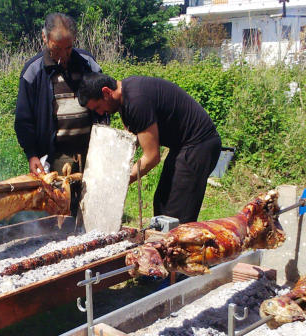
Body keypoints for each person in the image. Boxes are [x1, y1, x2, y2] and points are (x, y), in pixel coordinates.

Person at [76, 72, 222, 224]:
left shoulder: (137, 101)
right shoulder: (124, 97)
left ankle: (179, 246)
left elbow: (152, 157)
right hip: (182, 146)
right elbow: (133, 139)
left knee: (176, 214)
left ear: (106, 91)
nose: (100, 113)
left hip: (199, 145)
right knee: (162, 202)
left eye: (98, 107)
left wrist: (118, 182)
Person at [14, 13, 105, 177]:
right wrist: (32, 154)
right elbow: (23, 120)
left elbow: (104, 103)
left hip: (91, 153)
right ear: (44, 37)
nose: (63, 54)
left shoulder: (88, 64)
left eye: (68, 48)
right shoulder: (33, 71)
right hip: (55, 157)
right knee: (60, 201)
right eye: (57, 48)